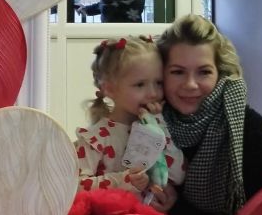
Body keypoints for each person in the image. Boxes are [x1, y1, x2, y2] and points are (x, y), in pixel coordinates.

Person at [153, 14, 262, 215]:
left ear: (220, 73)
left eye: (204, 72)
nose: (190, 84)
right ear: (161, 75)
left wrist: (175, 208)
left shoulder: (257, 138)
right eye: (177, 72)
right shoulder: (148, 125)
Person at [74, 35, 185, 198]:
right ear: (110, 89)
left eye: (159, 83)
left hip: (149, 213)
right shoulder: (95, 138)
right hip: (109, 213)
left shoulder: (161, 126)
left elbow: (178, 176)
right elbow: (75, 187)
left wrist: (159, 126)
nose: (153, 93)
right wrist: (123, 180)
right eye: (140, 84)